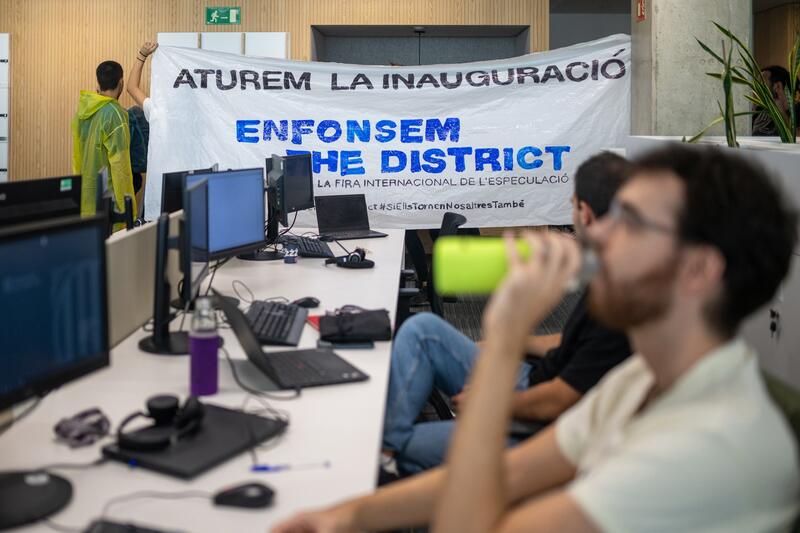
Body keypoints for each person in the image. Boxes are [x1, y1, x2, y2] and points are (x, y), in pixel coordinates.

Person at [273, 144, 800, 533]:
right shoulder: (644, 378)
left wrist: (505, 340)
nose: (599, 236)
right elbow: (508, 473)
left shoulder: (710, 449)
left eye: (632, 224)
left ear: (699, 270)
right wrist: (344, 514)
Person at [382, 152, 633, 476]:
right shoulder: (609, 271)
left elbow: (559, 400)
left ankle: (388, 450)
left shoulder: (624, 294)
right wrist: (512, 341)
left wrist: (492, 399)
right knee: (423, 329)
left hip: (544, 423)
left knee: (409, 447)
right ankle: (387, 444)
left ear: (584, 212)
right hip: (534, 379)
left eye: (571, 206)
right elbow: (574, 340)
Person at [71, 60, 136, 218]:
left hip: (85, 199)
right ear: (121, 82)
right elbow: (121, 169)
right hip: (109, 205)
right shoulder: (115, 114)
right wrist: (127, 212)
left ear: (98, 83)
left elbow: (78, 157)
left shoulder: (82, 111)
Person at [753, 65, 800, 137]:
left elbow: (797, 138)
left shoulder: (797, 111)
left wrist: (781, 113)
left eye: (761, 84)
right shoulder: (759, 110)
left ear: (777, 86)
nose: (756, 89)